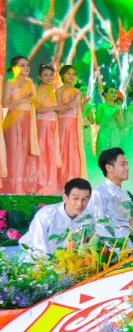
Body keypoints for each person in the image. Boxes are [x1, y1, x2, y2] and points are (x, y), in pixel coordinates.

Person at [19, 178, 94, 259]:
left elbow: (86, 245)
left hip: (65, 261)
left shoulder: (88, 218)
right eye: (75, 198)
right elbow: (39, 248)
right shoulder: (46, 215)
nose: (80, 204)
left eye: (84, 199)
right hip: (33, 258)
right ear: (65, 197)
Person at [2, 56, 39, 194]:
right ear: (14, 68)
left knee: (26, 153)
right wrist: (23, 99)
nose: (27, 68)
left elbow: (36, 104)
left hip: (28, 121)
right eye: (23, 65)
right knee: (13, 152)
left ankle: (25, 186)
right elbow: (5, 103)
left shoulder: (31, 84)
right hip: (13, 122)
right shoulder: (9, 83)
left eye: (28, 65)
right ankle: (12, 187)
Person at [90, 147, 132, 239]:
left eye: (127, 164)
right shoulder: (99, 193)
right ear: (109, 167)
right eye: (123, 164)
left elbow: (126, 221)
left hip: (128, 245)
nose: (127, 168)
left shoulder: (125, 194)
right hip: (111, 247)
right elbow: (99, 226)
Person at [56, 66, 88, 185]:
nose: (71, 76)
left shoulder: (77, 91)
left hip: (75, 124)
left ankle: (73, 177)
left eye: (73, 74)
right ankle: (62, 179)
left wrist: (83, 104)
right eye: (68, 73)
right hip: (64, 123)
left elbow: (78, 110)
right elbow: (58, 109)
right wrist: (71, 101)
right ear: (62, 75)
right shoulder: (59, 91)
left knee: (74, 151)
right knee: (64, 149)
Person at [35, 64, 63, 194]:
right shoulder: (38, 90)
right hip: (42, 124)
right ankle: (41, 183)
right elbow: (37, 109)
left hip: (52, 124)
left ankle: (50, 183)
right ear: (39, 77)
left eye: (51, 74)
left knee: (51, 153)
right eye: (45, 75)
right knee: (43, 153)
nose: (49, 77)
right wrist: (55, 108)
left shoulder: (52, 89)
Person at [91, 86, 124, 155]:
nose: (114, 94)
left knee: (115, 157)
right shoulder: (101, 106)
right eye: (111, 92)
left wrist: (118, 117)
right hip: (104, 134)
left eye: (115, 92)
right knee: (104, 156)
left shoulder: (118, 107)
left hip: (116, 134)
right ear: (105, 94)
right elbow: (98, 122)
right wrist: (112, 117)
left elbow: (121, 124)